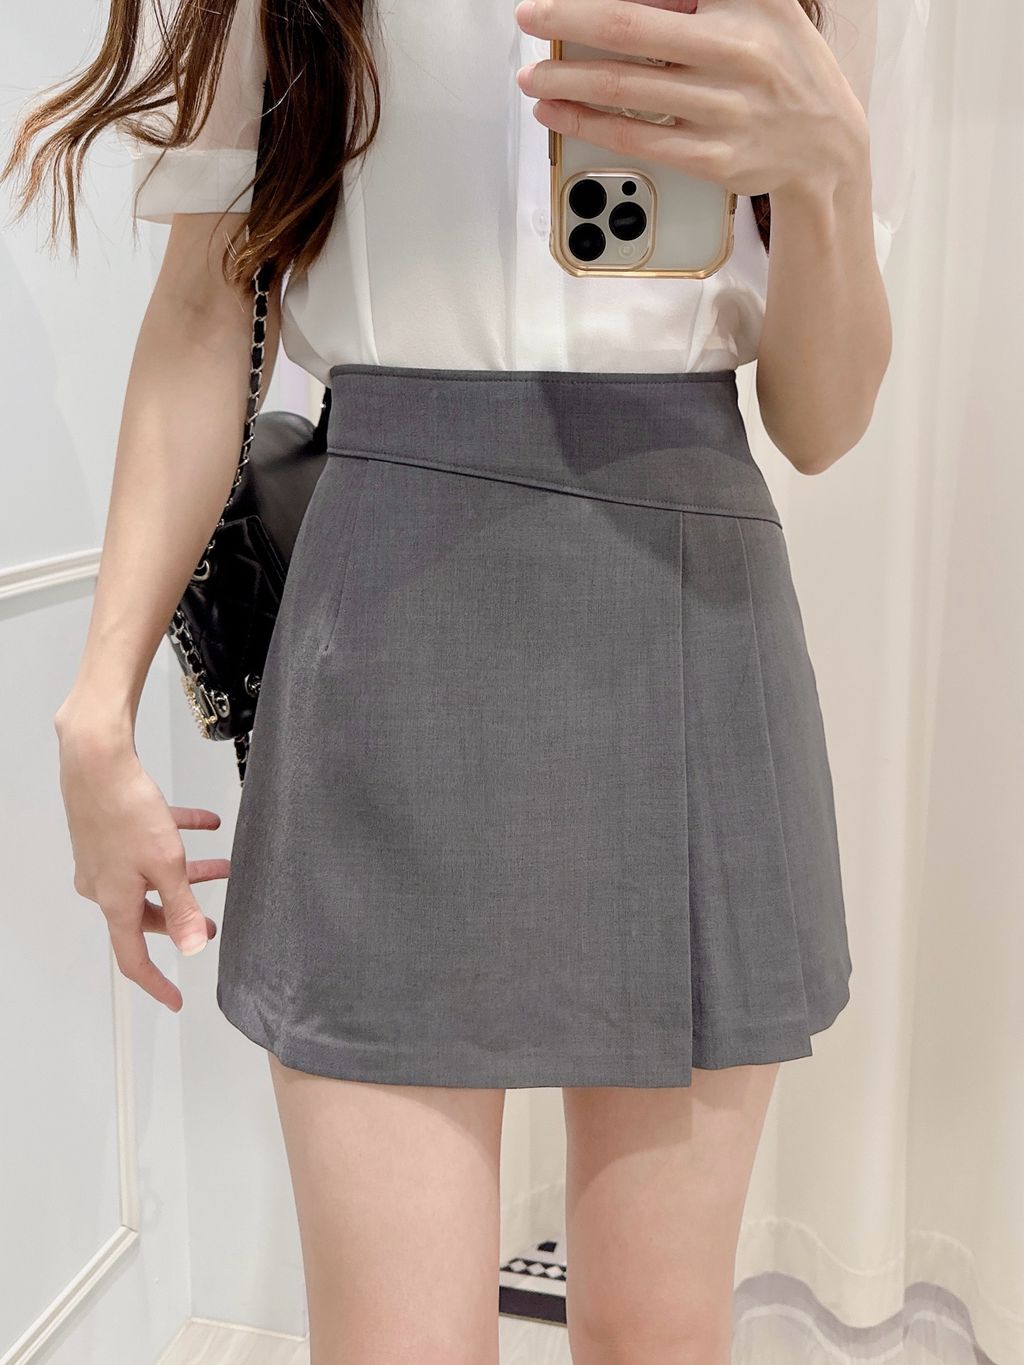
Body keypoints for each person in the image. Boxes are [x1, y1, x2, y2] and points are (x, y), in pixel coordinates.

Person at [2, 0, 920, 1360]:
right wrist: (97, 708)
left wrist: (828, 167)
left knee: (659, 1339)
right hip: (388, 617)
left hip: (689, 619)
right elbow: (204, 306)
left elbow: (821, 419)